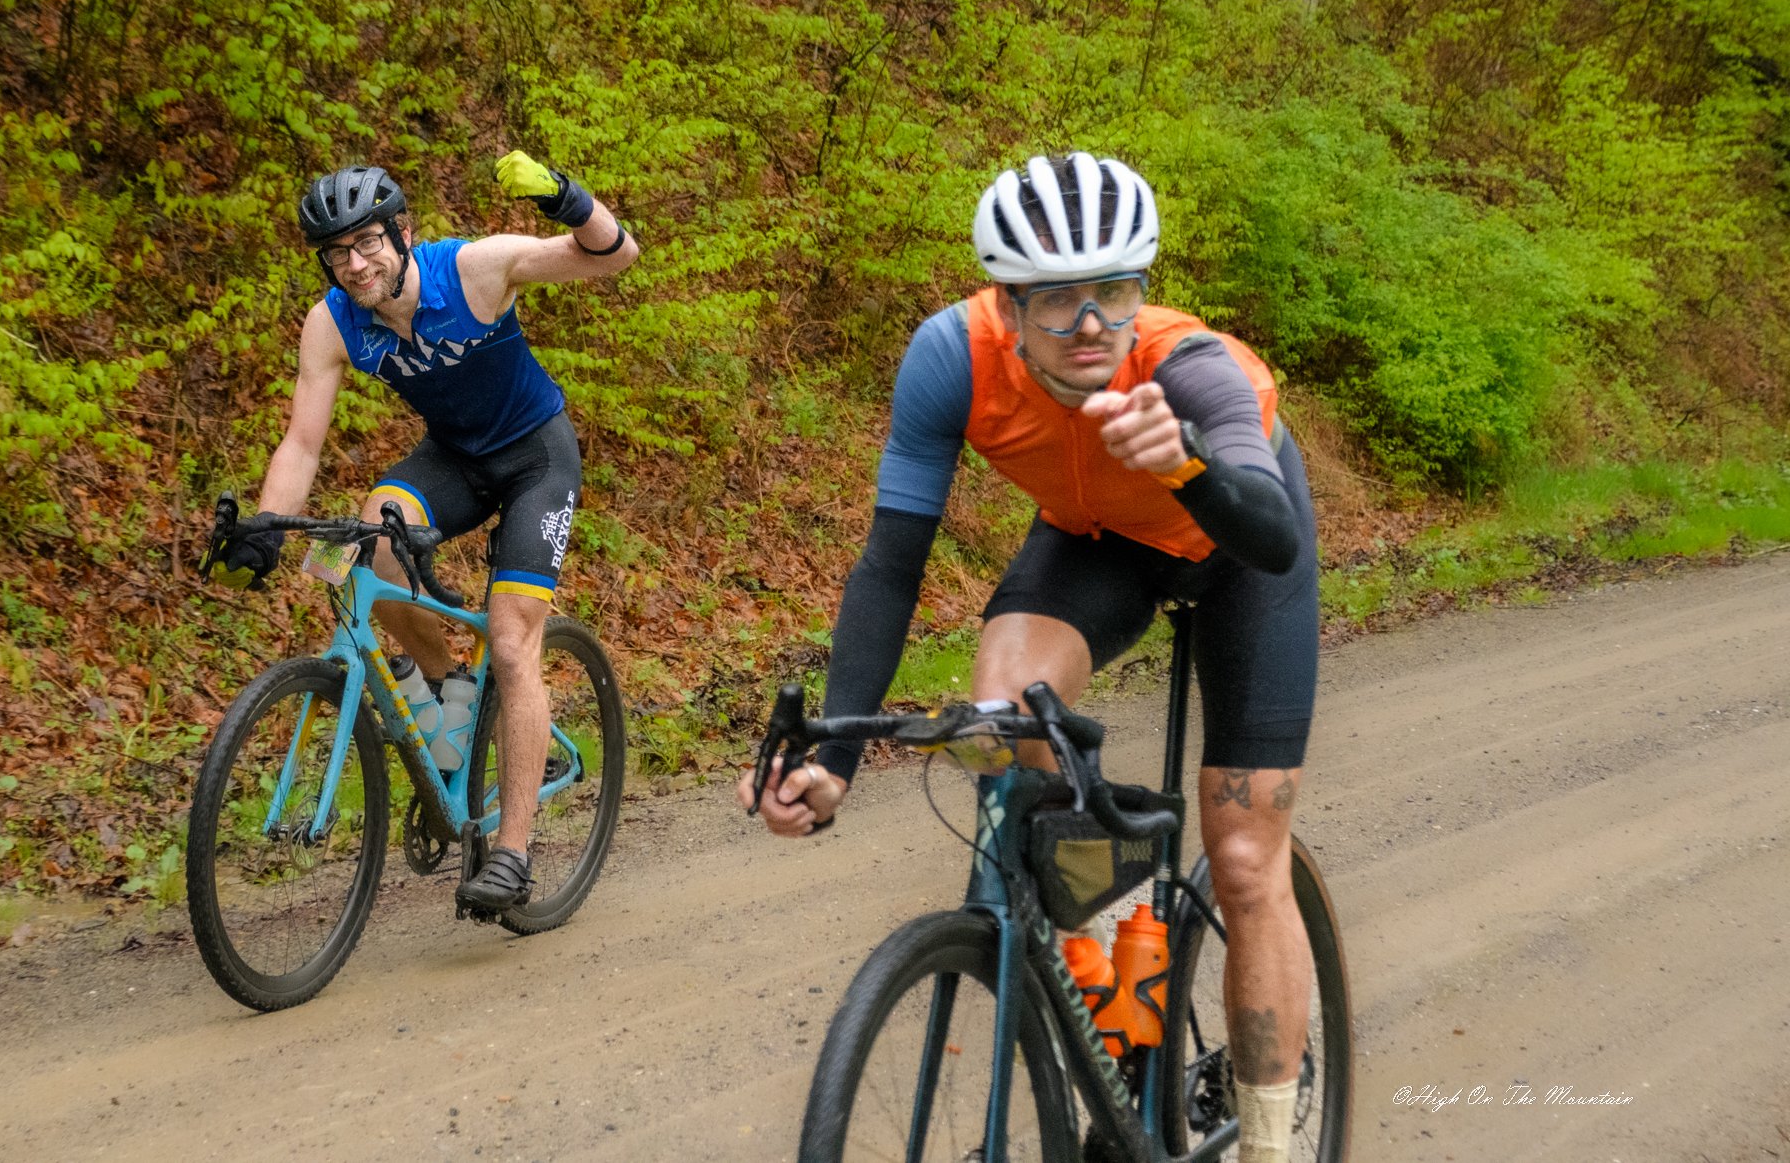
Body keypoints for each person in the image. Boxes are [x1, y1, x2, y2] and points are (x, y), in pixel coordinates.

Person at [737, 153, 1317, 1163]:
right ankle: (1112, 1003)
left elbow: (1268, 533)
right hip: (1098, 543)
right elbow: (889, 565)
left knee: (1239, 851)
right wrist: (830, 758)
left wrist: (1183, 460)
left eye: (1114, 291)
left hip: (1234, 544)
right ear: (1004, 304)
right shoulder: (948, 360)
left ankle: (1267, 1140)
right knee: (1007, 719)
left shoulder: (1188, 366)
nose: (1091, 324)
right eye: (1056, 301)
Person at [208, 153, 639, 913]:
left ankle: (512, 853)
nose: (356, 262)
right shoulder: (332, 321)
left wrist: (566, 197)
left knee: (511, 643)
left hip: (535, 456)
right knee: (358, 549)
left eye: (369, 241)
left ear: (403, 232)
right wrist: (267, 528)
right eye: (337, 252)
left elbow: (614, 254)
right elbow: (302, 443)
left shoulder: (473, 270)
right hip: (454, 459)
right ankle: (448, 688)